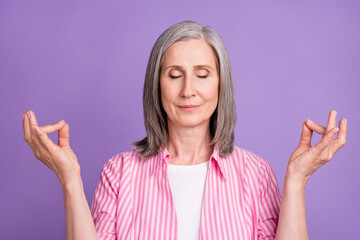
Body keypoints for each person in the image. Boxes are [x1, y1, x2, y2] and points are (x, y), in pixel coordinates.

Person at [22, 20, 347, 240]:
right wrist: (69, 178)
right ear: (157, 85)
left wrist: (297, 178)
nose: (188, 90)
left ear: (221, 85)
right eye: (175, 74)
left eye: (203, 74)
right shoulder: (119, 172)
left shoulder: (254, 173)